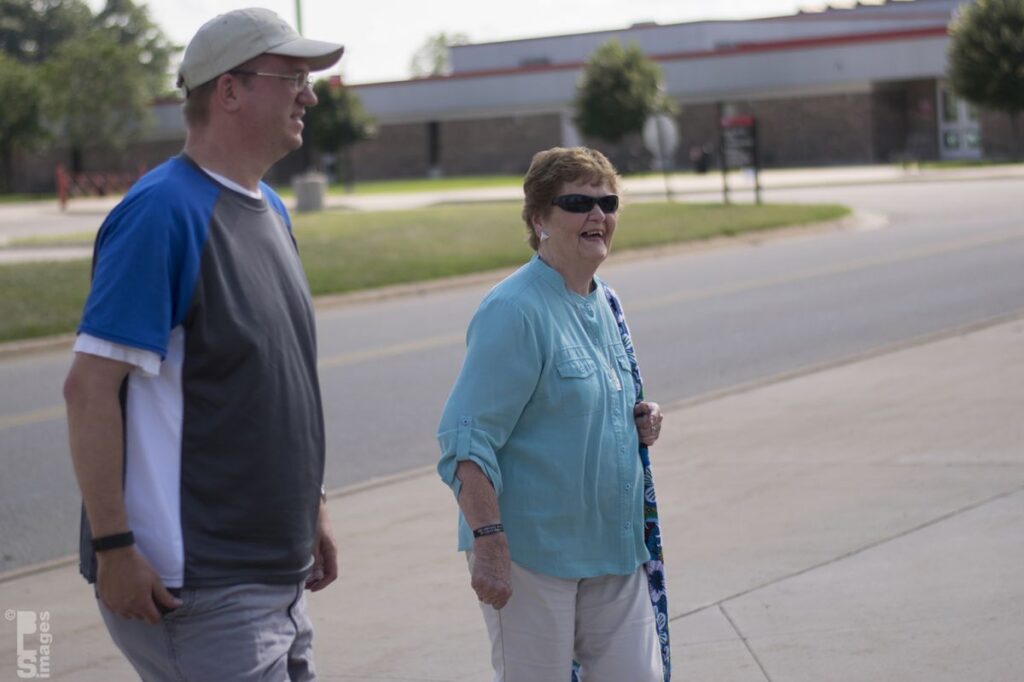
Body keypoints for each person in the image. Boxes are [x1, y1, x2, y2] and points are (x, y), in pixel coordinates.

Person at [62, 8, 343, 680]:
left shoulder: (268, 207)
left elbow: (272, 383)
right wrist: (114, 547)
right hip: (199, 586)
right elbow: (89, 388)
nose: (308, 96)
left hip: (274, 574)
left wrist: (313, 507)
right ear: (230, 90)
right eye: (293, 78)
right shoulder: (161, 212)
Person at [437, 146, 669, 681]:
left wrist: (638, 418)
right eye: (578, 203)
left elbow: (582, 402)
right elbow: (465, 440)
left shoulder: (606, 303)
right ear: (539, 218)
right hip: (532, 557)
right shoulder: (513, 310)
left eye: (608, 202)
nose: (598, 215)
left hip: (614, 547)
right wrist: (488, 541)